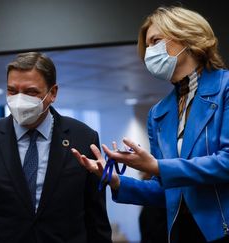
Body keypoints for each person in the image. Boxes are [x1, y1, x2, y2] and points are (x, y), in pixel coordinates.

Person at [72, 6, 229, 243]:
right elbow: (164, 191)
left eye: (156, 41)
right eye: (147, 46)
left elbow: (226, 162)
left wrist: (157, 166)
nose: (149, 52)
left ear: (187, 36)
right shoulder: (159, 113)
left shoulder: (225, 88)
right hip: (181, 233)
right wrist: (115, 180)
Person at [0, 52, 112, 242]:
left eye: (31, 92)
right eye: (12, 91)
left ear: (53, 93)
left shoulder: (83, 138)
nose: (19, 100)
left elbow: (96, 216)